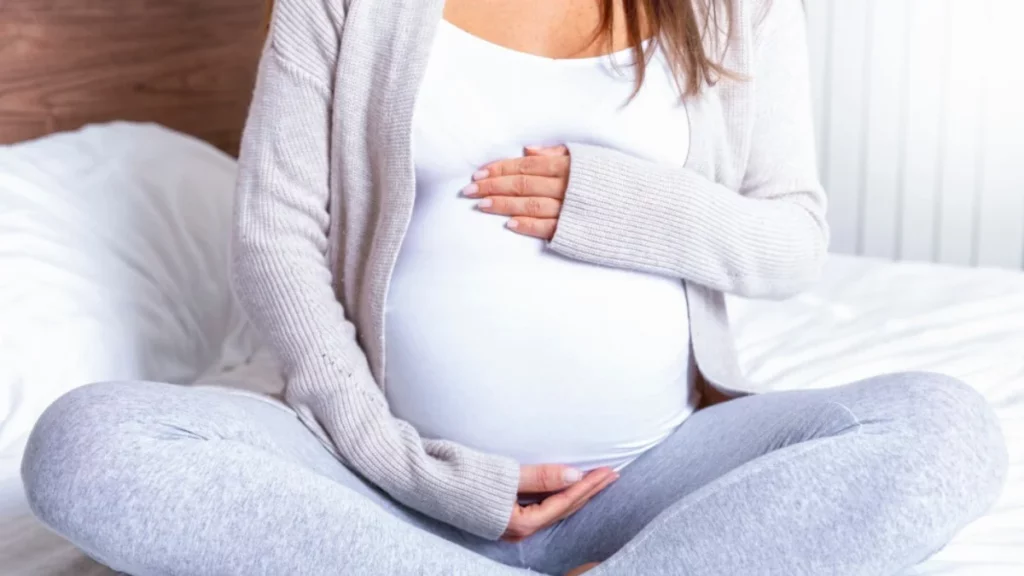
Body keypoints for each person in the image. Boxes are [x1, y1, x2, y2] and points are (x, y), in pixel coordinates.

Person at [21, 0, 1008, 574]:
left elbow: (791, 243)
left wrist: (623, 202)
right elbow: (276, 234)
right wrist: (408, 467)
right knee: (86, 445)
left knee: (942, 428)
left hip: (650, 479)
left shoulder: (729, 7)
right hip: (381, 486)